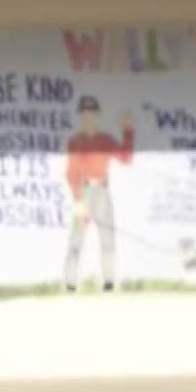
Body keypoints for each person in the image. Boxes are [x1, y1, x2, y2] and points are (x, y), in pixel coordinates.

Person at [62, 94, 134, 291]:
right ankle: (70, 283)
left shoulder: (106, 140)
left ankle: (109, 281)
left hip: (102, 192)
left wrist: (128, 131)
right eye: (84, 114)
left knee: (107, 239)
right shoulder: (74, 141)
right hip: (83, 192)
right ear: (80, 116)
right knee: (76, 240)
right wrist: (77, 196)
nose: (88, 117)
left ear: (97, 116)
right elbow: (70, 171)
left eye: (92, 113)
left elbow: (126, 158)